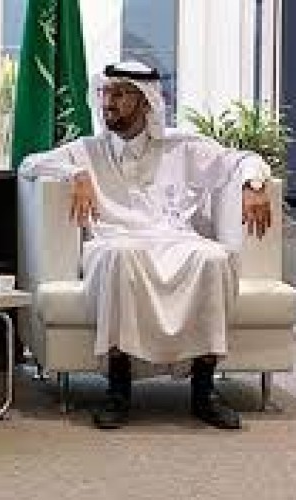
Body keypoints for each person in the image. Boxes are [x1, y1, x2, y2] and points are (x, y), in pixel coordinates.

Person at [20, 61, 272, 430]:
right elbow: (29, 163)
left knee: (213, 258)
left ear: (146, 102)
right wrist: (75, 172)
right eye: (105, 93)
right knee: (121, 256)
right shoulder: (87, 150)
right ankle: (118, 389)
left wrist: (254, 185)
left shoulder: (182, 147)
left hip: (174, 238)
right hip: (114, 240)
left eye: (120, 94)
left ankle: (204, 391)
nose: (108, 102)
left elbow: (242, 159)